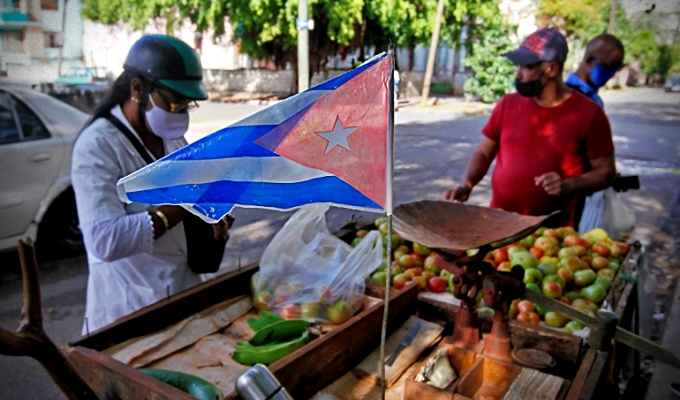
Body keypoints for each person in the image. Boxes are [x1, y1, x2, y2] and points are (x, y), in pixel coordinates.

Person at [71, 34, 232, 333]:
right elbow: (104, 240)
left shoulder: (168, 135)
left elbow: (190, 186)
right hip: (131, 304)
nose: (181, 111)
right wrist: (182, 206)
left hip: (181, 287)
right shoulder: (97, 146)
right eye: (173, 101)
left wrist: (211, 212)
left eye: (187, 104)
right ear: (137, 89)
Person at [443, 28, 617, 227]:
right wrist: (467, 184)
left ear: (551, 69)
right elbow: (484, 152)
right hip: (499, 225)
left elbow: (607, 172)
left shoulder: (590, 113)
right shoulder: (507, 104)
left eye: (526, 67)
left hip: (552, 236)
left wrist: (569, 184)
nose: (518, 75)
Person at [565, 34, 625, 106]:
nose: (612, 73)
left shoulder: (595, 99)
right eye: (610, 65)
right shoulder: (563, 96)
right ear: (590, 61)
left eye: (617, 67)